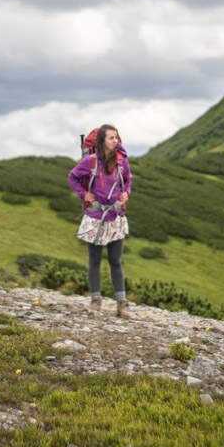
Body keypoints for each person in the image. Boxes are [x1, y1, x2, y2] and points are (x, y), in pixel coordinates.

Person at [67, 124, 132, 318]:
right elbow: (73, 177)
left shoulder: (122, 161)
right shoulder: (91, 161)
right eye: (111, 138)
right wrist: (83, 195)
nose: (116, 141)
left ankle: (122, 304)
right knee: (94, 259)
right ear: (102, 140)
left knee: (115, 261)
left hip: (115, 217)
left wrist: (126, 194)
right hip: (95, 217)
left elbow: (127, 181)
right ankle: (96, 299)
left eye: (117, 137)